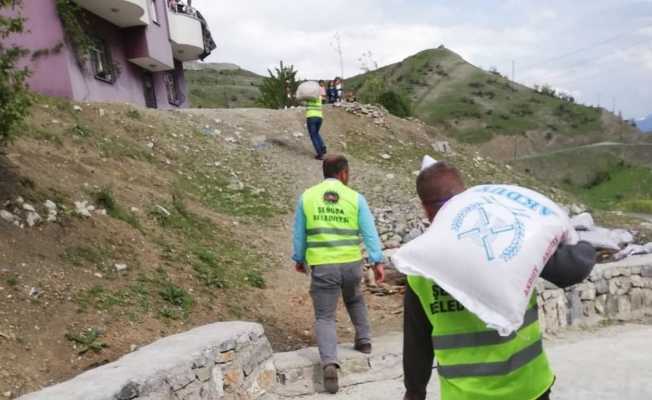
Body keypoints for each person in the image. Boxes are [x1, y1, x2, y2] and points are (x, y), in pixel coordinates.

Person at [403, 161, 597, 400]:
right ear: (466, 197)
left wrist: (414, 392)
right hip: (529, 389)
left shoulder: (418, 265)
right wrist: (586, 243)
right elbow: (572, 269)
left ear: (425, 208)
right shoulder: (512, 243)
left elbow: (417, 346)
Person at [293, 155, 386, 394]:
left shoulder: (307, 197)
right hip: (351, 264)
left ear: (325, 172)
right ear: (343, 173)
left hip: (323, 266)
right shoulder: (356, 198)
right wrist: (377, 261)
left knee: (325, 316)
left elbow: (300, 234)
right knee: (354, 298)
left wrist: (299, 259)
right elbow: (369, 232)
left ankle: (329, 364)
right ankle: (364, 341)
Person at [305, 93, 326, 159]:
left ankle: (320, 154)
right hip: (320, 117)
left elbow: (302, 102)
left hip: (311, 117)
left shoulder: (309, 97)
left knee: (313, 135)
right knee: (316, 133)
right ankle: (322, 146)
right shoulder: (319, 96)